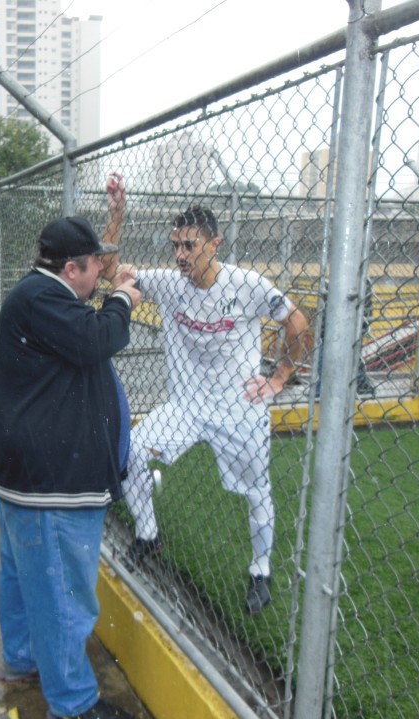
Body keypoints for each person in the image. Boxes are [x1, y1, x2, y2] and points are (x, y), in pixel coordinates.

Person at [103, 182, 309, 615]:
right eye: (175, 244)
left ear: (214, 244)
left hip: (240, 411)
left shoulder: (246, 284)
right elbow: (111, 272)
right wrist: (118, 214)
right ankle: (148, 534)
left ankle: (260, 570)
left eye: (190, 245)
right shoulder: (168, 283)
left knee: (257, 492)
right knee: (131, 452)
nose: (180, 254)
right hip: (185, 409)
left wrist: (281, 378)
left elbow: (298, 323)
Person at [0, 214, 143, 719]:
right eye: (96, 265)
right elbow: (99, 338)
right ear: (72, 268)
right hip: (49, 487)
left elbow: (84, 330)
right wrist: (122, 300)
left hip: (26, 481)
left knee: (23, 581)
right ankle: (73, 702)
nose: (102, 272)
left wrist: (110, 289)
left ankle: (22, 661)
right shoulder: (41, 299)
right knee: (61, 594)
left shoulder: (46, 297)